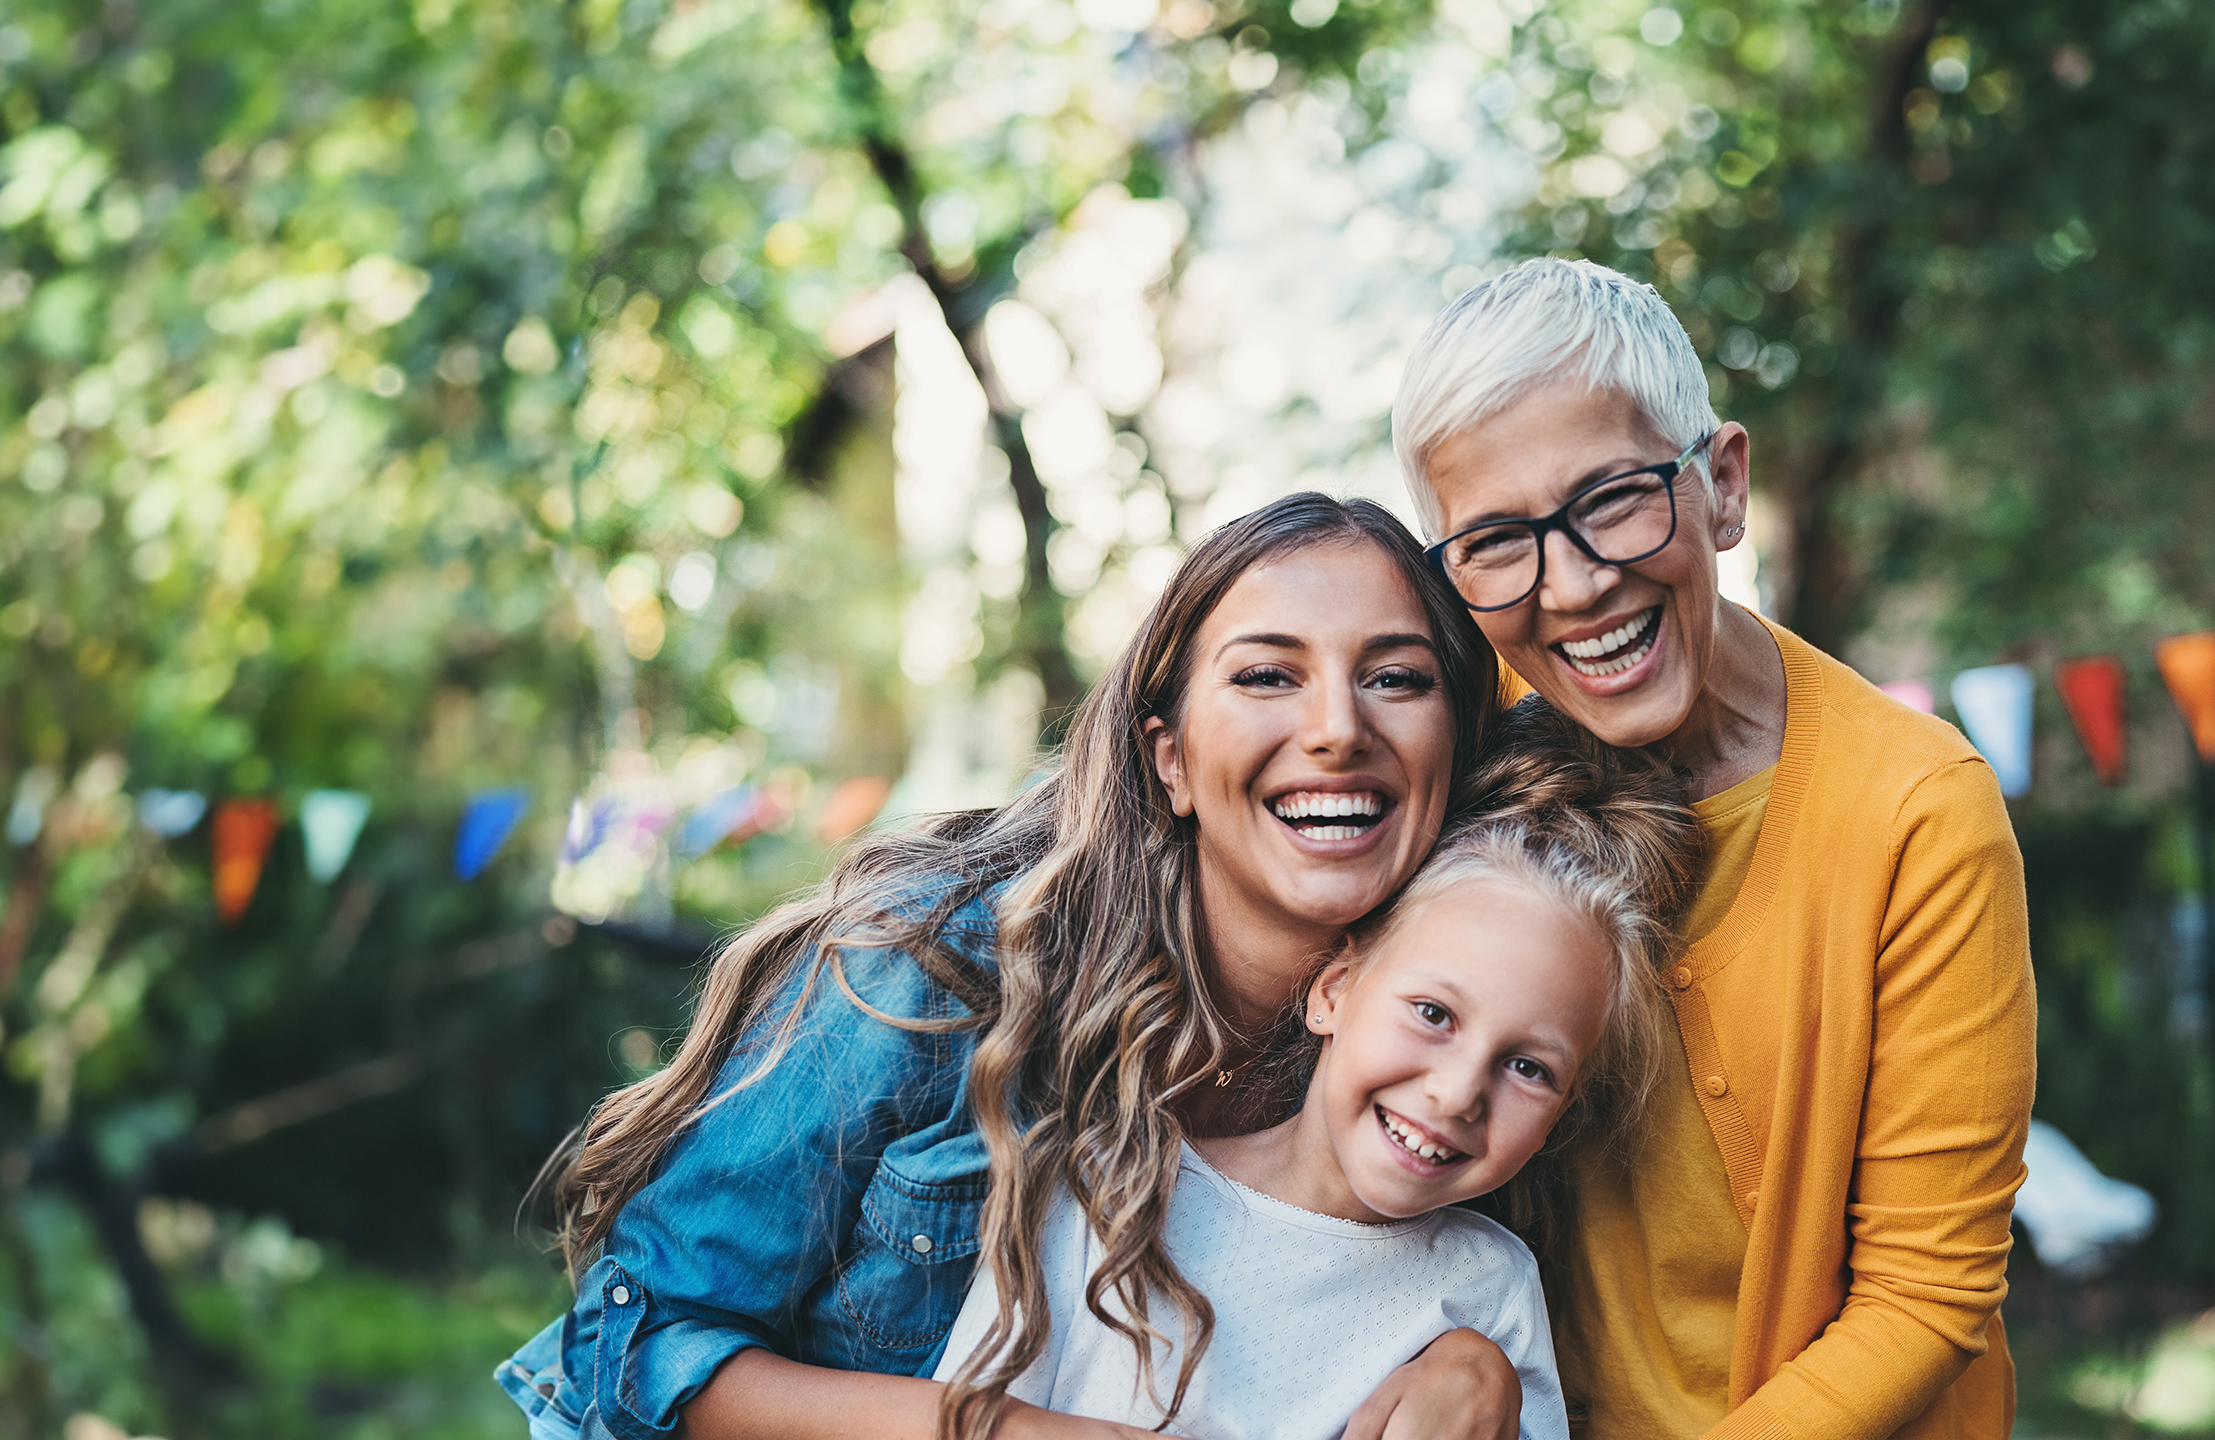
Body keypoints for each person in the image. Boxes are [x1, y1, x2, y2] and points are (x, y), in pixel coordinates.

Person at [495, 494, 1519, 1440]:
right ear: (1169, 757)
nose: (1338, 729)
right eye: (1265, 676)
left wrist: (1476, 1360)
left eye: (1397, 678)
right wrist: (1001, 1431)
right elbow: (631, 1350)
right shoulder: (933, 969)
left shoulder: (1469, 1035)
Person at [1391, 258, 2036, 1440]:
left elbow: (1923, 1297)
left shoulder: (1914, 811)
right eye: (1495, 541)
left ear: (1722, 485)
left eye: (1610, 500)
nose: (1573, 587)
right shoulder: (1457, 765)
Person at [929, 698, 1700, 1440]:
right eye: (1433, 1014)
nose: (1458, 1093)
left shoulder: (1490, 1293)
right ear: (1334, 991)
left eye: (1529, 1067)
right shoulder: (1111, 1188)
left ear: (1563, 1110)